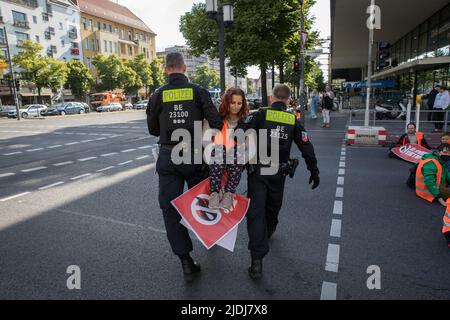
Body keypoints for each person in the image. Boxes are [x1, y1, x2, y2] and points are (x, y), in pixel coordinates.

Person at [146, 52, 223, 280]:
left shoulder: (157, 95)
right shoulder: (198, 91)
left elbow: (153, 130)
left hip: (169, 156)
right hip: (195, 154)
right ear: (184, 68)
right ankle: (210, 234)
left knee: (170, 209)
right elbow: (217, 122)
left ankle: (186, 262)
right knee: (203, 198)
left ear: (165, 69)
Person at [244, 84, 320, 279]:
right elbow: (306, 146)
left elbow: (239, 133)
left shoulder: (260, 114)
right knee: (272, 209)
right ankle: (267, 233)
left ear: (271, 98)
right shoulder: (292, 119)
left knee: (255, 214)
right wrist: (314, 170)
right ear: (288, 101)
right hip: (278, 174)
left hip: (258, 172)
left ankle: (257, 260)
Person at [208, 88, 249, 210]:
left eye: (239, 103)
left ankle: (228, 193)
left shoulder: (246, 121)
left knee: (237, 153)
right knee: (220, 151)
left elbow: (249, 146)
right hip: (216, 155)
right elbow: (206, 139)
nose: (236, 106)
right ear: (226, 102)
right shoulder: (217, 118)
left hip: (235, 158)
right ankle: (214, 193)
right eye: (232, 102)